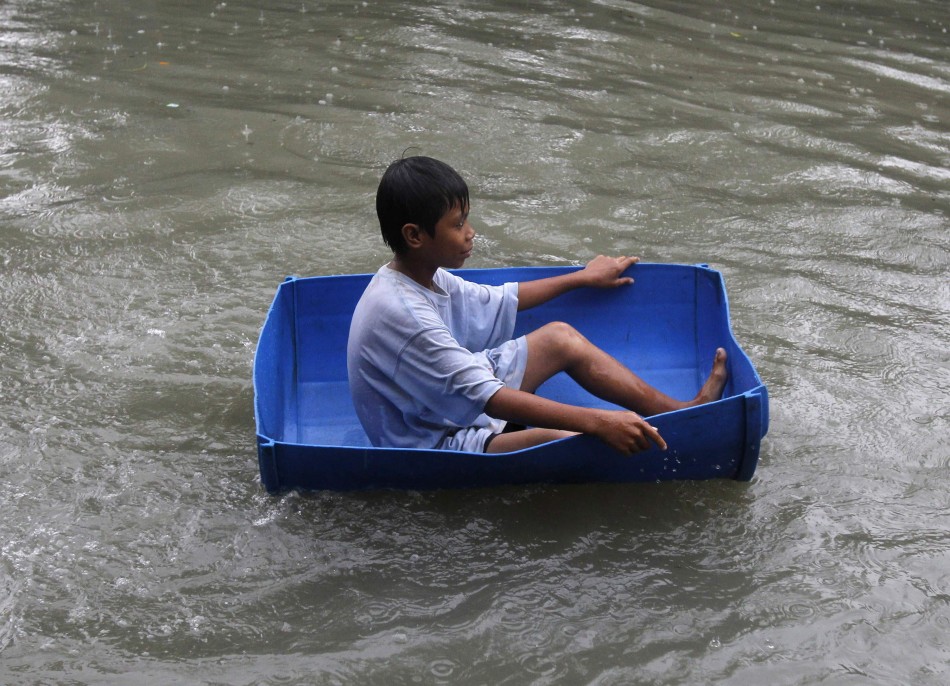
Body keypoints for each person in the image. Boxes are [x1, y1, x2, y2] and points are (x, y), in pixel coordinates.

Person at [346, 156, 728, 455]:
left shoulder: (422, 275)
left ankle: (680, 414)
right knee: (561, 439)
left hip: (442, 402)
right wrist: (598, 421)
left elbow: (499, 301)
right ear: (414, 236)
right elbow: (491, 400)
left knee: (560, 338)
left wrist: (581, 277)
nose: (470, 232)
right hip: (431, 441)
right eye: (458, 224)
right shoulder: (404, 314)